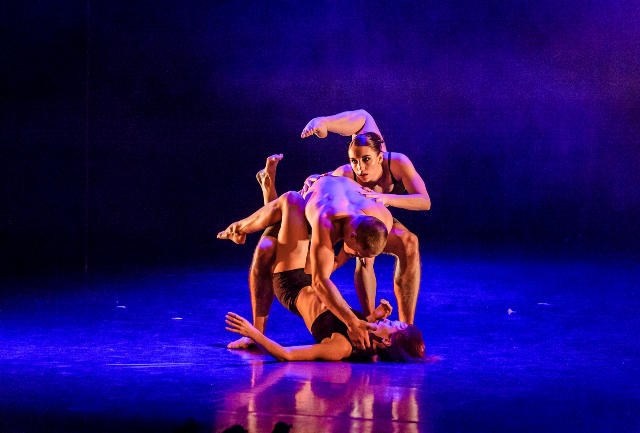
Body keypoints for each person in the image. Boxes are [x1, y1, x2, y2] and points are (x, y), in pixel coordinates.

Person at [221, 180, 425, 362]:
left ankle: (238, 227)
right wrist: (373, 317)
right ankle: (243, 223)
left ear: (387, 341)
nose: (389, 319)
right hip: (316, 263)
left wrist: (253, 333)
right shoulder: (365, 329)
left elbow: (288, 354)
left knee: (291, 200)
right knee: (290, 221)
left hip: (293, 282)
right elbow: (324, 287)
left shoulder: (341, 347)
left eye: (393, 324)